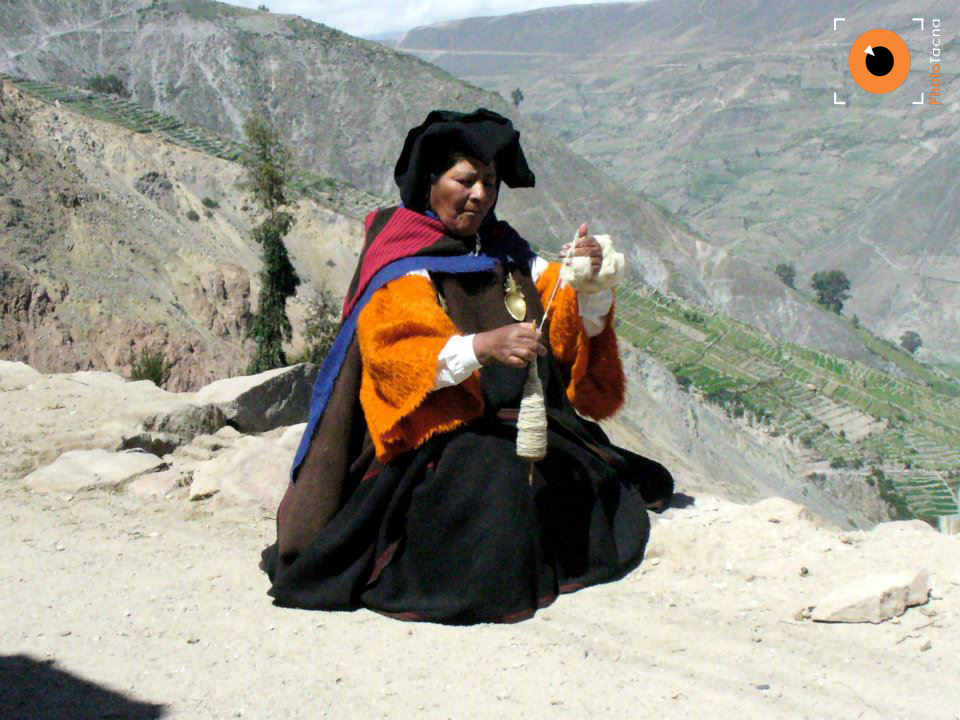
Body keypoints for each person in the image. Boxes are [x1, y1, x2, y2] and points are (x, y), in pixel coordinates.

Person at [260, 108, 673, 624]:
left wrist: (586, 280)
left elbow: (560, 321)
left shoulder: (504, 248)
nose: (480, 194)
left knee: (583, 472)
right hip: (431, 433)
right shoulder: (402, 257)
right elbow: (399, 358)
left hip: (512, 417)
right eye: (466, 179)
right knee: (489, 479)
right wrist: (483, 346)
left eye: (491, 182)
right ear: (431, 182)